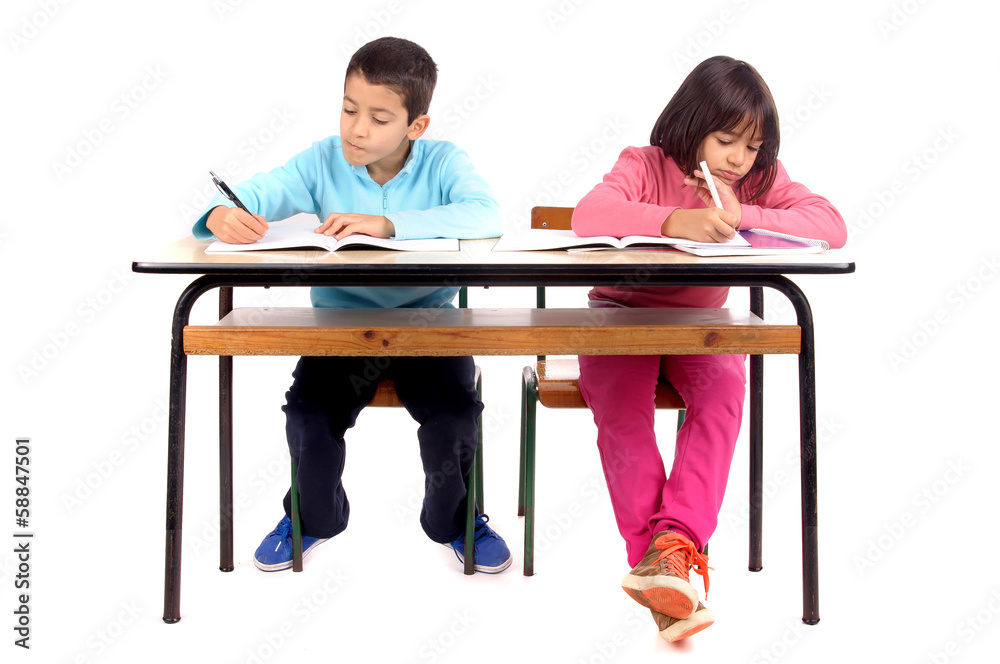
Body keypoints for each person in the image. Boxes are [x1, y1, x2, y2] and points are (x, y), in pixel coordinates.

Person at [192, 37, 511, 574]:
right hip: (340, 329)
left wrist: (388, 225)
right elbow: (256, 192)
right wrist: (220, 215)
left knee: (455, 417)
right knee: (309, 414)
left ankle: (456, 522)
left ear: (416, 126)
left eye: (379, 118)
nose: (357, 129)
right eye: (348, 110)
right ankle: (311, 517)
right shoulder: (322, 160)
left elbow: (486, 215)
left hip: (427, 326)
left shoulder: (444, 162)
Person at [571, 55, 847, 642]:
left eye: (752, 146)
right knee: (622, 410)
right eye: (726, 140)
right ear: (691, 122)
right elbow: (589, 215)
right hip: (620, 314)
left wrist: (743, 212)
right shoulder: (644, 163)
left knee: (724, 390)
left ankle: (673, 547)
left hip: (702, 324)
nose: (738, 158)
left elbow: (831, 225)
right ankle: (664, 569)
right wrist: (677, 221)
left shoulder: (755, 180)